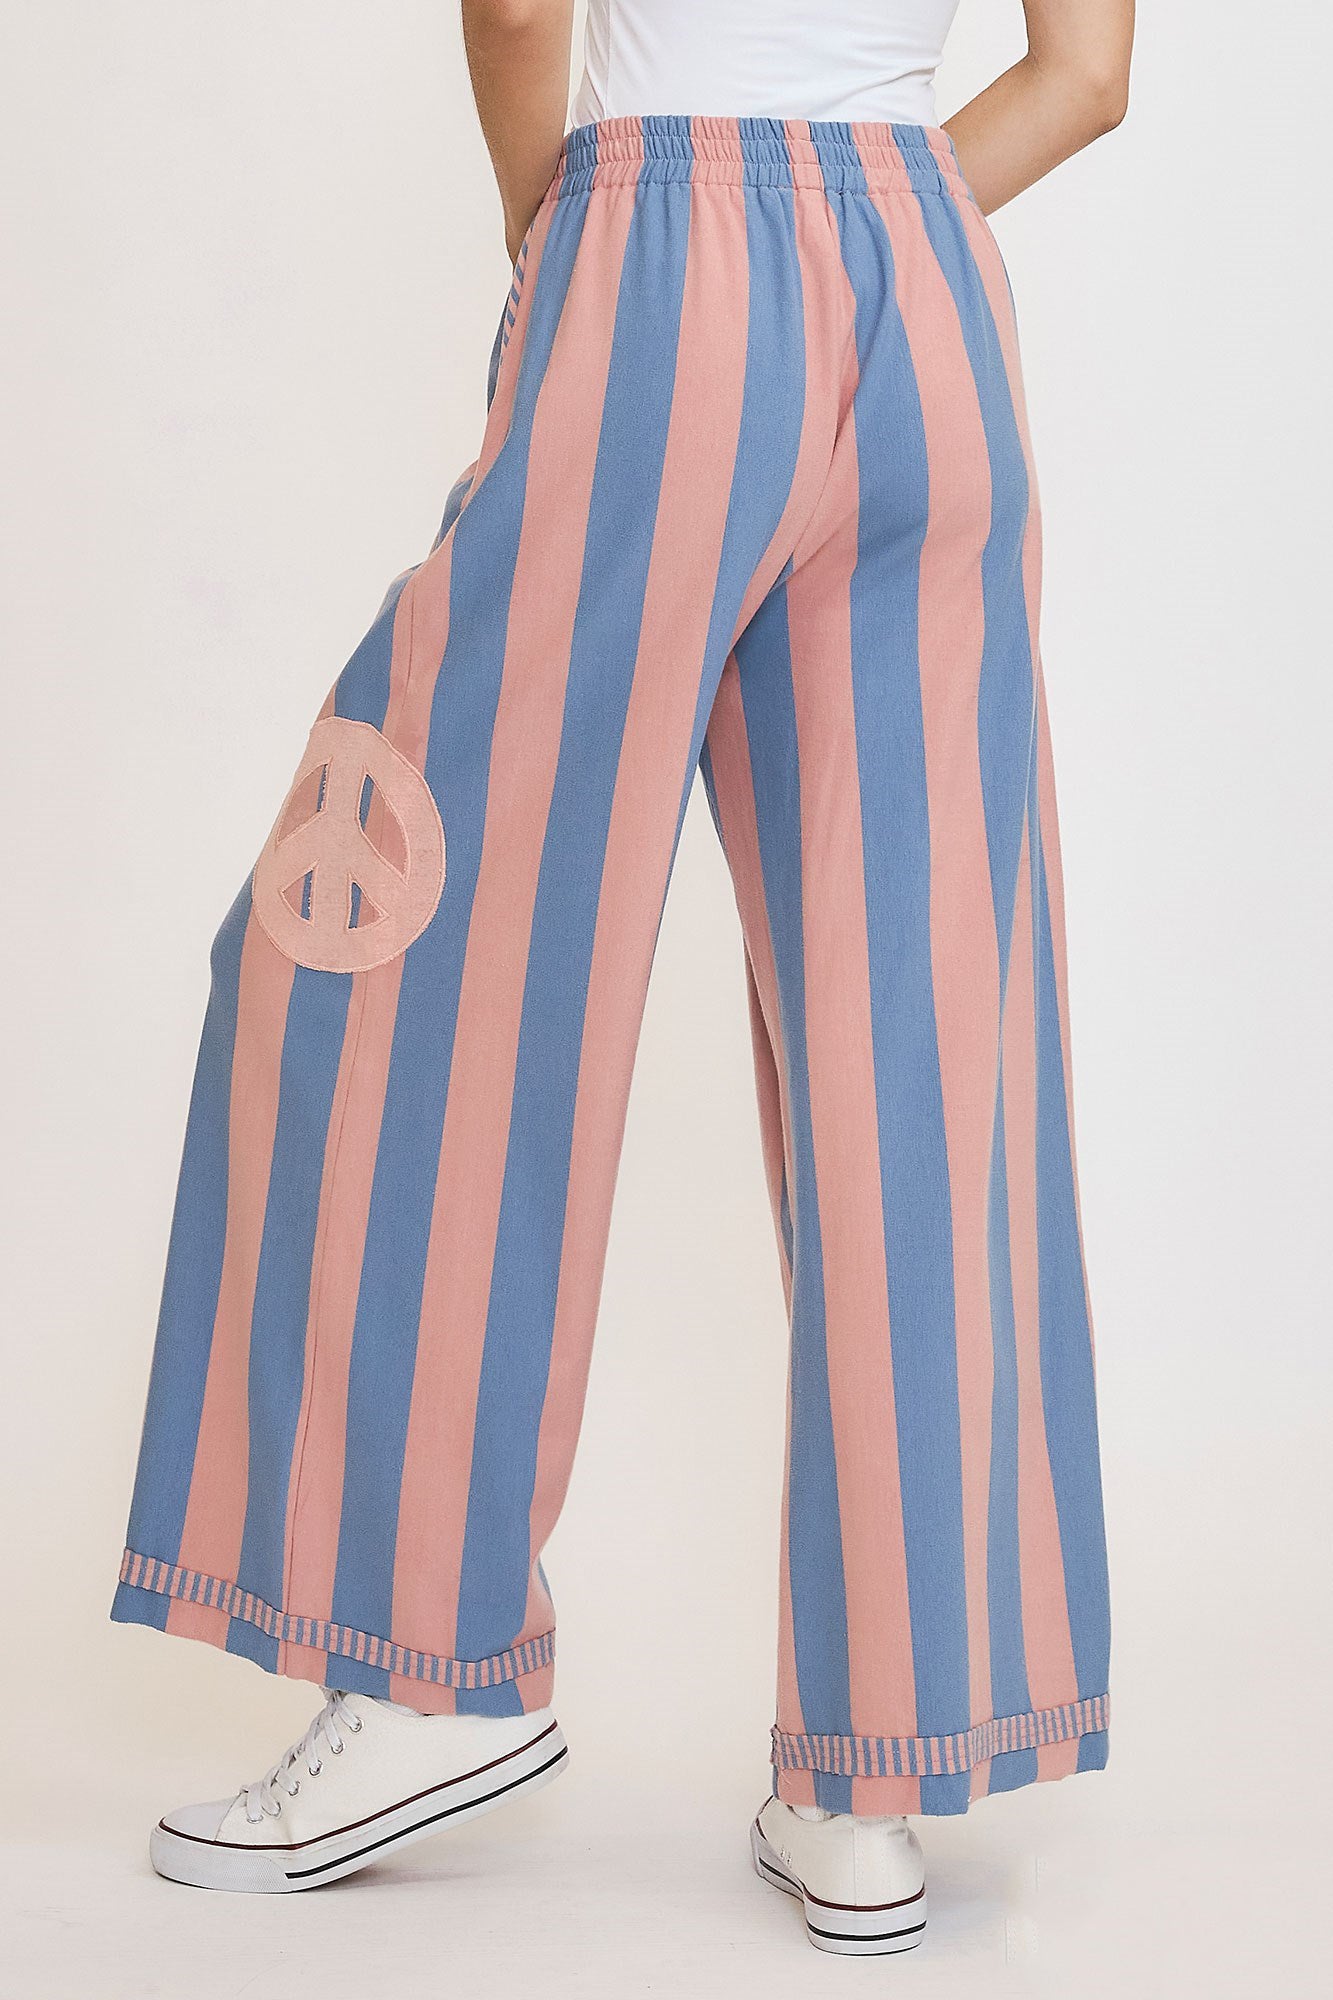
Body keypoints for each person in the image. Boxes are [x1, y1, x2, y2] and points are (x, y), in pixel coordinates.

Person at [112, 0, 1132, 1955]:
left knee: (417, 946)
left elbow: (519, 10)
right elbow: (1085, 77)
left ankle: (426, 1665)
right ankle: (877, 1773)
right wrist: (876, 216)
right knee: (921, 1021)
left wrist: (560, 227)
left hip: (660, 260)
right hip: (930, 302)